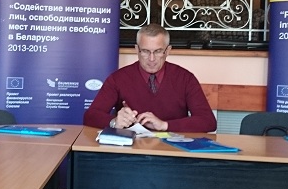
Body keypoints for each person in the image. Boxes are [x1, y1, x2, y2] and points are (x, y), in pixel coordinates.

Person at [84, 23, 217, 132]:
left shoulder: (185, 79)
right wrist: (114, 122)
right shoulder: (118, 78)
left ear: (168, 51)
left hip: (173, 151)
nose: (151, 59)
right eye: (145, 51)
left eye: (158, 51)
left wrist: (164, 125)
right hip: (130, 150)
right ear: (137, 50)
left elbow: (208, 121)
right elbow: (90, 116)